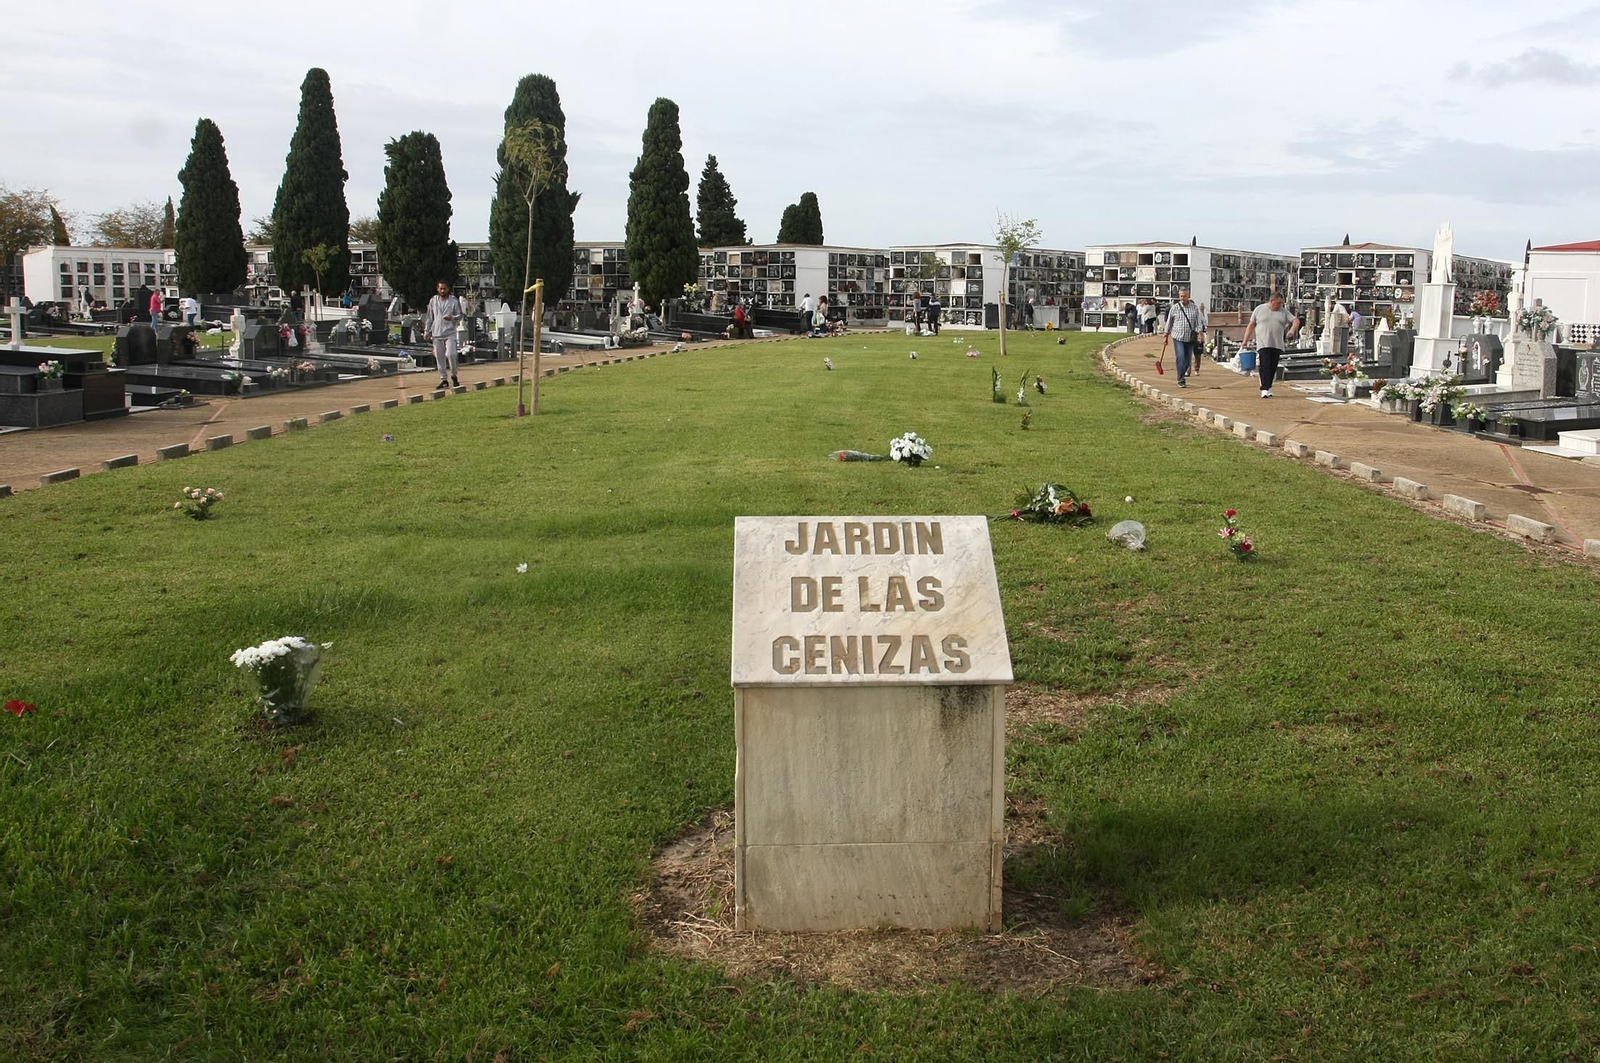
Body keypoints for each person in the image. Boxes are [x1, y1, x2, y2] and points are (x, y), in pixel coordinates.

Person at [1241, 292, 1300, 398]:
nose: (1280, 305)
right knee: (1265, 364)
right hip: (1263, 342)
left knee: (1273, 366)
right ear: (1272, 301)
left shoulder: (1283, 312)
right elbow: (1251, 325)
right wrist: (1245, 340)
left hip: (1277, 343)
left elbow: (1295, 320)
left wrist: (1292, 330)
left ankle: (1268, 386)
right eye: (1278, 303)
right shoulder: (1259, 309)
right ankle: (1264, 388)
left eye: (1281, 303)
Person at [1159, 288, 1207, 388]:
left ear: (1188, 296)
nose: (1182, 298)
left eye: (1184, 296)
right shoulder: (1175, 308)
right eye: (1181, 296)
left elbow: (1198, 322)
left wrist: (1200, 333)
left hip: (1190, 338)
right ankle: (1181, 379)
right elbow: (1169, 322)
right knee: (1180, 357)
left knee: (1187, 360)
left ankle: (1182, 372)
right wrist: (1166, 335)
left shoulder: (1194, 308)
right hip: (1178, 336)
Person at [424, 280, 463, 389]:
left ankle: (454, 375)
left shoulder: (453, 301)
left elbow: (460, 315)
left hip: (449, 332)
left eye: (444, 289)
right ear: (437, 289)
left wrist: (453, 318)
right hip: (436, 333)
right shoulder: (433, 301)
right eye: (440, 289)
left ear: (448, 289)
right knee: (439, 357)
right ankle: (443, 379)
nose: (442, 291)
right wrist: (427, 331)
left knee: (451, 354)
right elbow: (429, 316)